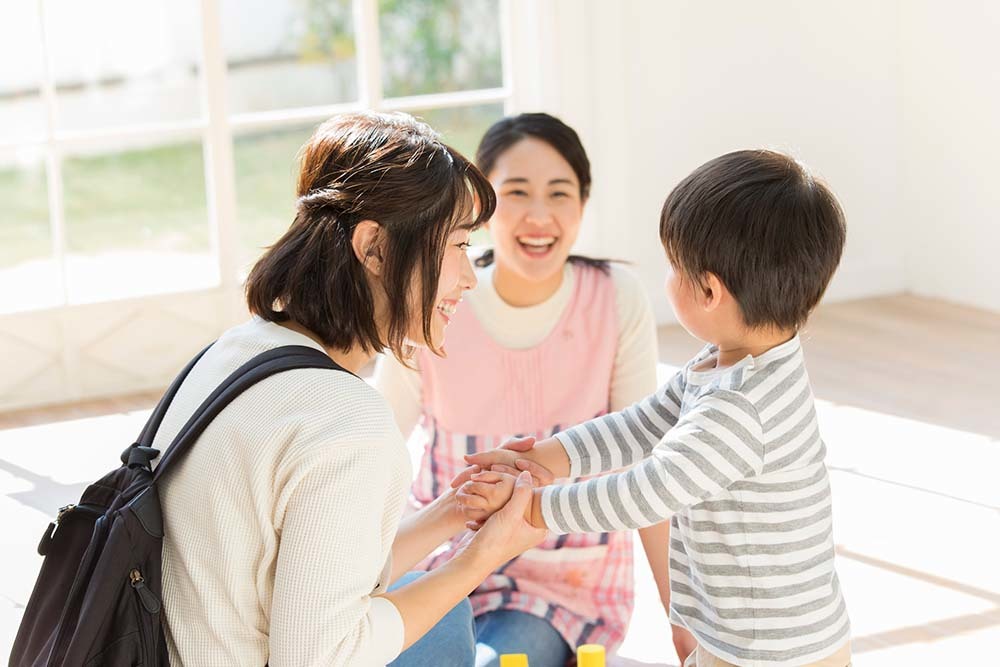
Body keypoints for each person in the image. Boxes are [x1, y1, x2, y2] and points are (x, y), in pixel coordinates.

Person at [151, 111, 546, 667]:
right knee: (445, 615)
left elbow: (313, 574)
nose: (468, 276)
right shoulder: (346, 422)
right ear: (374, 248)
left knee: (433, 609)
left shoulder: (237, 352)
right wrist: (482, 559)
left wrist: (454, 513)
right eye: (457, 244)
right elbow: (320, 656)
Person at [457, 149, 853, 666]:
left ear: (708, 290)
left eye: (674, 267)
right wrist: (545, 459)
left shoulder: (740, 409)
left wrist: (534, 508)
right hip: (742, 634)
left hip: (769, 653)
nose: (666, 278)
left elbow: (647, 492)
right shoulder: (735, 360)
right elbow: (643, 425)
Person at [375, 112, 695, 666]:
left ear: (583, 203)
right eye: (517, 192)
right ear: (480, 208)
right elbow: (374, 447)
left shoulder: (614, 298)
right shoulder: (438, 291)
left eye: (560, 193)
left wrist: (680, 617)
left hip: (557, 585)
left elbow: (650, 471)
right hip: (437, 561)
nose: (540, 216)